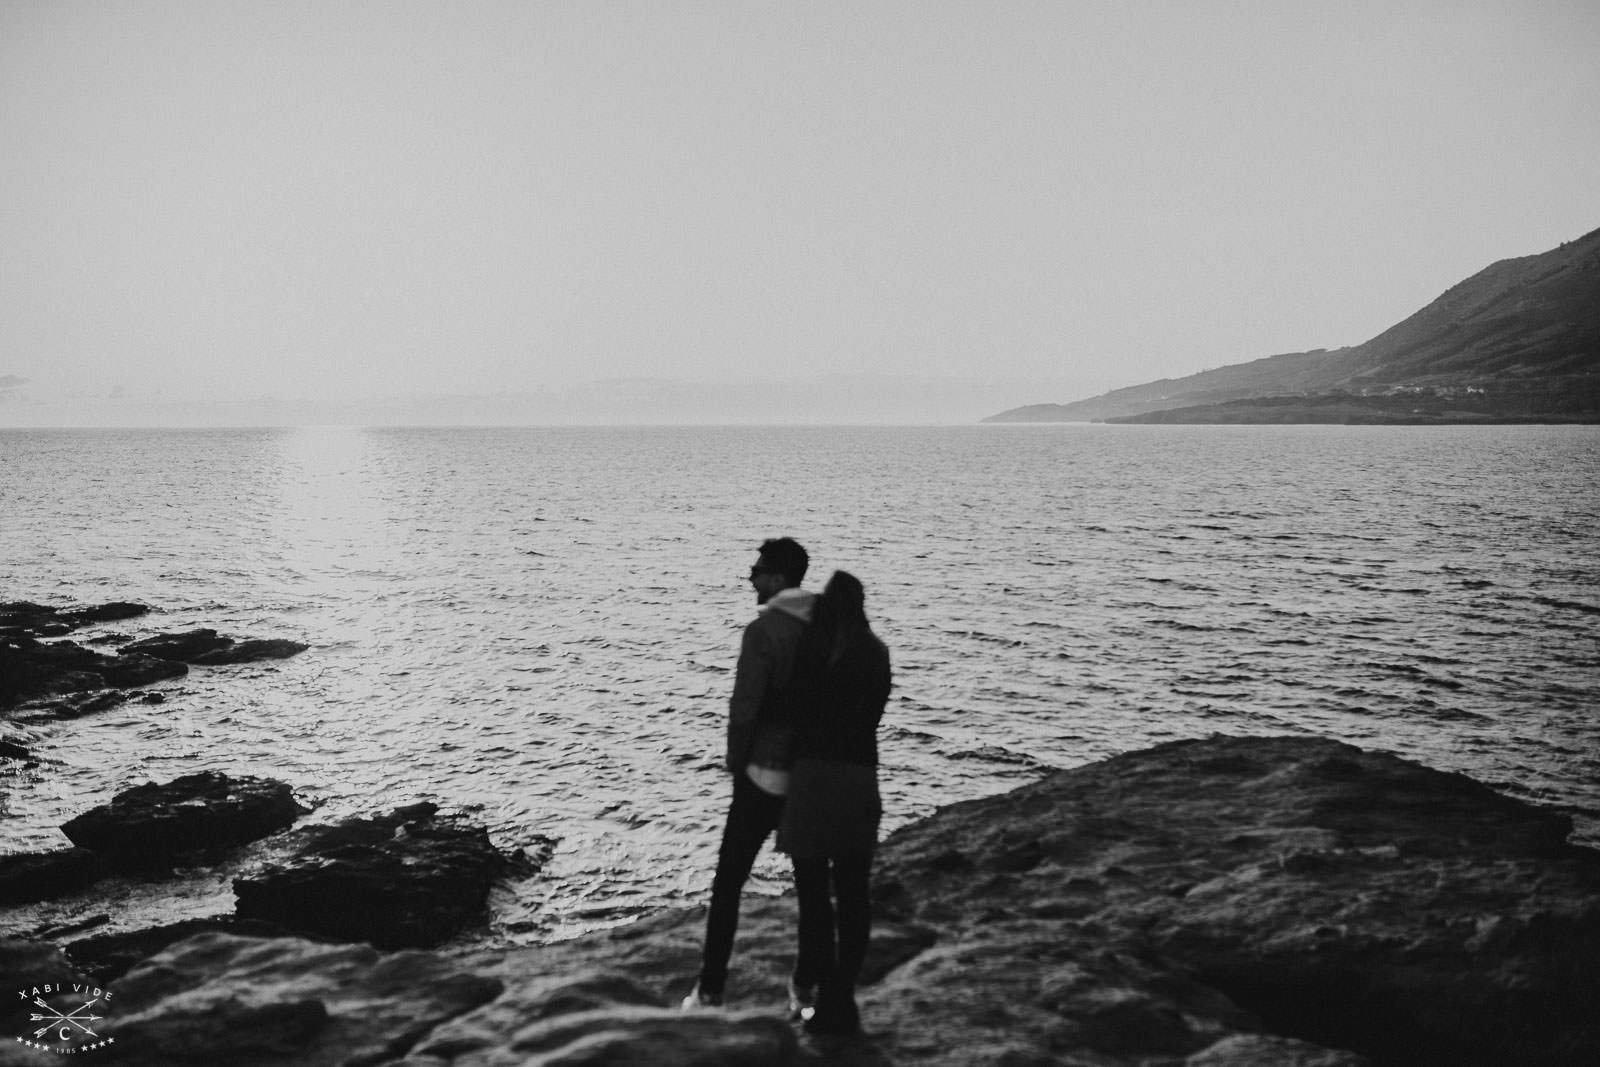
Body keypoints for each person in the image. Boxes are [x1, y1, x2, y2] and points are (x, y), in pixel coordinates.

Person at [682, 536, 817, 1010]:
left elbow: (745, 707)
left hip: (763, 772)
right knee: (813, 886)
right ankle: (807, 987)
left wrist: (736, 761)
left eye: (757, 570)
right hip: (811, 774)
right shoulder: (829, 624)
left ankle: (711, 990)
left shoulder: (764, 631)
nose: (750, 577)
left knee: (728, 881)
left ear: (777, 578)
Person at [776, 570, 891, 1036]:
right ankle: (841, 997)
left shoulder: (815, 651)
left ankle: (811, 986)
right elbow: (874, 714)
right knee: (854, 895)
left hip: (812, 778)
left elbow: (790, 712)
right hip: (860, 778)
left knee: (814, 898)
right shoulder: (876, 652)